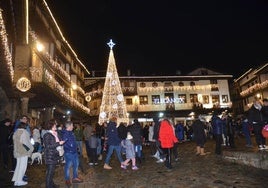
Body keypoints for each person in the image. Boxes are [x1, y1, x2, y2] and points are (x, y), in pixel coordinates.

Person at [43, 119, 65, 188]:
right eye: (55, 124)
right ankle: (48, 186)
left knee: (51, 172)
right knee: (50, 173)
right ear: (51, 125)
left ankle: (52, 185)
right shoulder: (47, 135)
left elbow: (60, 137)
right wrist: (58, 143)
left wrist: (60, 141)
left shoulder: (55, 133)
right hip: (50, 156)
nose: (56, 125)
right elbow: (48, 146)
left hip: (55, 155)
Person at [12, 121, 34, 186]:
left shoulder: (16, 132)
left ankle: (16, 180)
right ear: (24, 126)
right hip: (23, 151)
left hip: (17, 151)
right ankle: (19, 180)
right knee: (23, 166)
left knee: (18, 166)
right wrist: (31, 149)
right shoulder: (24, 132)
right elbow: (26, 143)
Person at [62, 121, 83, 186]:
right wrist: (70, 148)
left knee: (76, 164)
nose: (73, 127)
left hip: (74, 152)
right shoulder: (65, 133)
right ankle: (67, 179)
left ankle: (75, 177)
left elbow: (73, 141)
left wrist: (76, 148)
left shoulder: (71, 132)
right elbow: (64, 144)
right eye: (72, 125)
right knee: (68, 166)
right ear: (69, 126)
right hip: (69, 152)